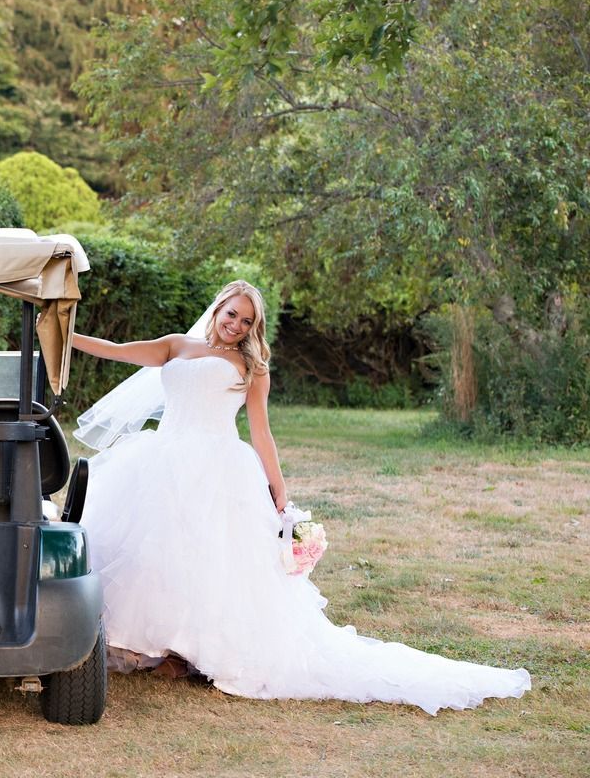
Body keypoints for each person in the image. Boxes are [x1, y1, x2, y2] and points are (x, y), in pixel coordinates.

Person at [69, 280, 530, 714]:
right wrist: (67, 335)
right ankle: (160, 645)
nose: (237, 325)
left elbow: (261, 431)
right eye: (233, 314)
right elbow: (117, 351)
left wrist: (279, 489)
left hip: (216, 466)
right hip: (162, 459)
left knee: (212, 559)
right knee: (156, 550)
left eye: (247, 322)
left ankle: (192, 653)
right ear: (219, 307)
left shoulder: (252, 366)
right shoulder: (176, 345)